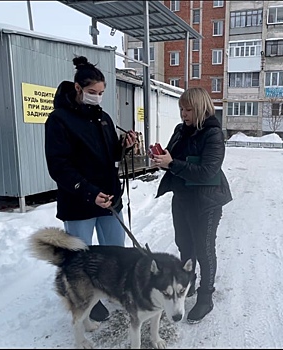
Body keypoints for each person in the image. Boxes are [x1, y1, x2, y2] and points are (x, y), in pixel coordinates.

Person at [44, 55, 137, 322]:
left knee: (114, 251)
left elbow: (110, 156)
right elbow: (58, 167)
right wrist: (87, 191)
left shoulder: (103, 118)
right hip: (79, 201)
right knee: (81, 257)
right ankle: (86, 297)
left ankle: (112, 288)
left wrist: (124, 145)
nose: (97, 97)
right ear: (77, 88)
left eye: (101, 93)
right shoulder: (59, 120)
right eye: (92, 92)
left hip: (109, 198)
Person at [151, 87, 233, 323]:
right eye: (181, 109)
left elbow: (208, 170)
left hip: (206, 202)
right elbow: (172, 157)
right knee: (184, 246)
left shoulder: (213, 134)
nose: (183, 114)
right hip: (182, 197)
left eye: (188, 109)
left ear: (200, 109)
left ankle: (206, 298)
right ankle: (191, 284)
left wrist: (173, 164)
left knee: (204, 250)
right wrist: (161, 159)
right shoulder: (180, 130)